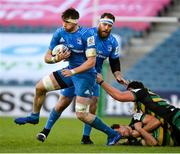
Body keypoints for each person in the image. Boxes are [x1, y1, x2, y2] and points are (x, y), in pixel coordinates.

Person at [14, 8, 121, 146]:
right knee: (40, 87)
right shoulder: (59, 32)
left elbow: (91, 62)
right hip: (70, 71)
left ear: (75, 22)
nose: (64, 24)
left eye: (67, 22)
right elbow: (47, 57)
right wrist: (56, 58)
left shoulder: (87, 35)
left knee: (82, 114)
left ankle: (111, 134)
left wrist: (73, 72)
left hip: (86, 75)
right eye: (63, 21)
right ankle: (35, 117)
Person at [96, 74, 180, 145]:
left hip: (175, 117)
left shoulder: (141, 92)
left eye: (128, 91)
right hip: (172, 125)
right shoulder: (139, 106)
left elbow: (120, 96)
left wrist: (101, 82)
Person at [111, 113, 176, 146]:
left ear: (121, 126)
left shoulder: (136, 118)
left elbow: (156, 121)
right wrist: (140, 130)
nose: (121, 134)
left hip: (175, 130)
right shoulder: (132, 141)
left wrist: (139, 132)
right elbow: (153, 143)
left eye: (119, 132)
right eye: (119, 136)